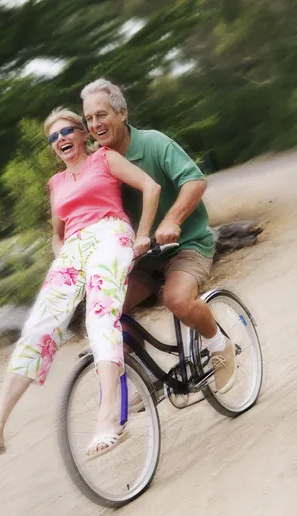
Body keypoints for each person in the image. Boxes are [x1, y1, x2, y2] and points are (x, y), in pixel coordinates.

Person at [0, 108, 161, 461]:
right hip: (74, 249)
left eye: (67, 132)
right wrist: (63, 258)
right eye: (53, 137)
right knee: (38, 328)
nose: (60, 140)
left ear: (82, 134)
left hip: (110, 233)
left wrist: (144, 235)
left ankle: (109, 419)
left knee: (99, 317)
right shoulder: (56, 184)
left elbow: (151, 186)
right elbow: (57, 235)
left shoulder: (105, 159)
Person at [81, 79, 236, 393]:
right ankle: (145, 378)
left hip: (186, 243)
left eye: (102, 115)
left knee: (176, 298)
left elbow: (194, 181)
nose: (95, 124)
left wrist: (172, 220)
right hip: (141, 257)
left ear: (122, 113)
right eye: (89, 119)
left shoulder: (153, 143)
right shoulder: (97, 164)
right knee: (107, 307)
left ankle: (220, 345)